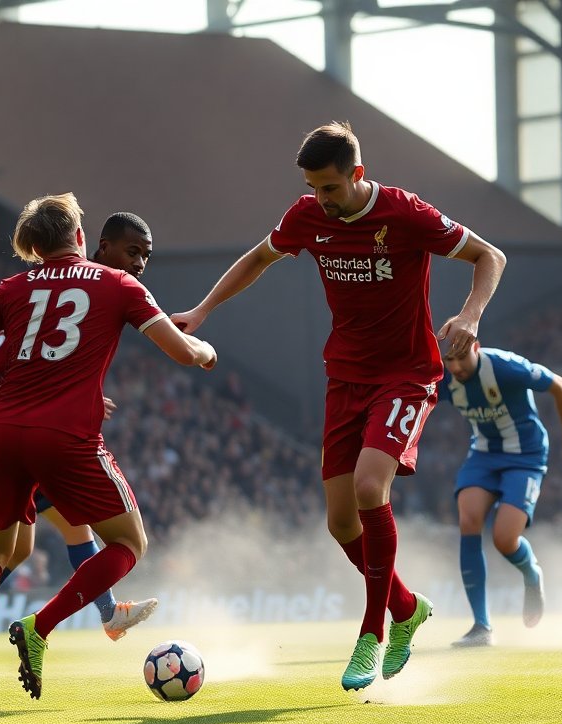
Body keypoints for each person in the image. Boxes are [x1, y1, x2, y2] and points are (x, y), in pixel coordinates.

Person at [171, 121, 505, 692]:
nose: (319, 199)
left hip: (404, 374)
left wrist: (471, 316)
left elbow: (488, 256)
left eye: (328, 187)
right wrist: (201, 313)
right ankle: (407, 607)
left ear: (357, 174)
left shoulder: (404, 214)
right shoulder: (307, 216)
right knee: (339, 520)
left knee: (371, 489)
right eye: (312, 187)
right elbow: (256, 259)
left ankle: (372, 634)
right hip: (345, 376)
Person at [0, 193, 216, 710]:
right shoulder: (118, 284)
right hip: (66, 438)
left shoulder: (13, 286)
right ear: (83, 240)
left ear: (35, 247)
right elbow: (180, 350)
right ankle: (41, 626)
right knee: (129, 542)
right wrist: (206, 350)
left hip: (6, 431)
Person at [439, 342, 562, 647]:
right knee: (468, 519)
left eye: (462, 358)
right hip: (483, 455)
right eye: (449, 360)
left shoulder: (505, 366)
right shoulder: (444, 378)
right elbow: (415, 398)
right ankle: (481, 626)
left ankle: (531, 573)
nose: (456, 368)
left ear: (475, 347)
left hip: (526, 456)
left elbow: (558, 385)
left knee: (504, 539)